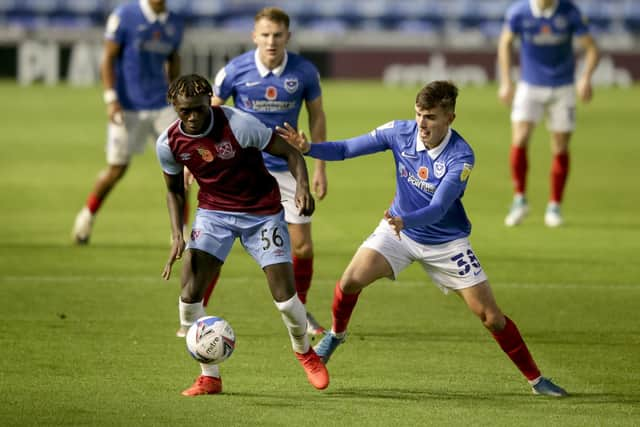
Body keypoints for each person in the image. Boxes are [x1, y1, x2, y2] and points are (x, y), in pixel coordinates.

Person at [277, 80, 568, 397]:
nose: (421, 123)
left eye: (430, 117)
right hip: (398, 231)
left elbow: (439, 207)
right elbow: (347, 149)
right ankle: (336, 335)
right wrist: (308, 149)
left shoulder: (461, 157)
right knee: (349, 282)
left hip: (445, 242)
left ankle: (537, 380)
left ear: (450, 119)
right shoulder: (399, 132)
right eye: (418, 114)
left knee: (491, 317)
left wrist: (405, 220)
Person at [156, 74, 329, 396]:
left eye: (197, 109)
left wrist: (302, 188)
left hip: (262, 214)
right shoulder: (168, 143)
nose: (192, 117)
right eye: (184, 112)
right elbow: (173, 191)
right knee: (189, 292)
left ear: (210, 99)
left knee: (286, 300)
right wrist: (177, 234)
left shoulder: (239, 125)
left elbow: (291, 153)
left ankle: (305, 351)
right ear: (174, 108)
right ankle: (210, 376)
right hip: (213, 215)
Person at [176, 7, 329, 338]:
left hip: (287, 165)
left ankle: (300, 310)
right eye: (265, 34)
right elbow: (207, 115)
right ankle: (197, 309)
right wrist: (195, 161)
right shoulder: (235, 70)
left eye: (277, 35)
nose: (271, 41)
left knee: (302, 246)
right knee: (213, 247)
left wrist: (319, 165)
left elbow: (317, 116)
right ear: (254, 36)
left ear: (287, 36)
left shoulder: (304, 72)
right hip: (240, 168)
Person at [71, 0, 184, 243]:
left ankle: (183, 232)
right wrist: (111, 98)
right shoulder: (125, 15)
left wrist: (177, 95)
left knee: (183, 168)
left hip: (163, 106)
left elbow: (173, 59)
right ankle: (86, 216)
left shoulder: (175, 21)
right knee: (117, 169)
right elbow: (108, 58)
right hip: (128, 106)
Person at [497, 0, 599, 227]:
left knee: (560, 145)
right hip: (529, 85)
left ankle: (554, 205)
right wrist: (506, 81)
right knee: (520, 138)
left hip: (563, 87)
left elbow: (591, 48)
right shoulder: (519, 12)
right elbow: (505, 42)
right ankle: (519, 199)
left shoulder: (569, 11)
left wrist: (586, 78)